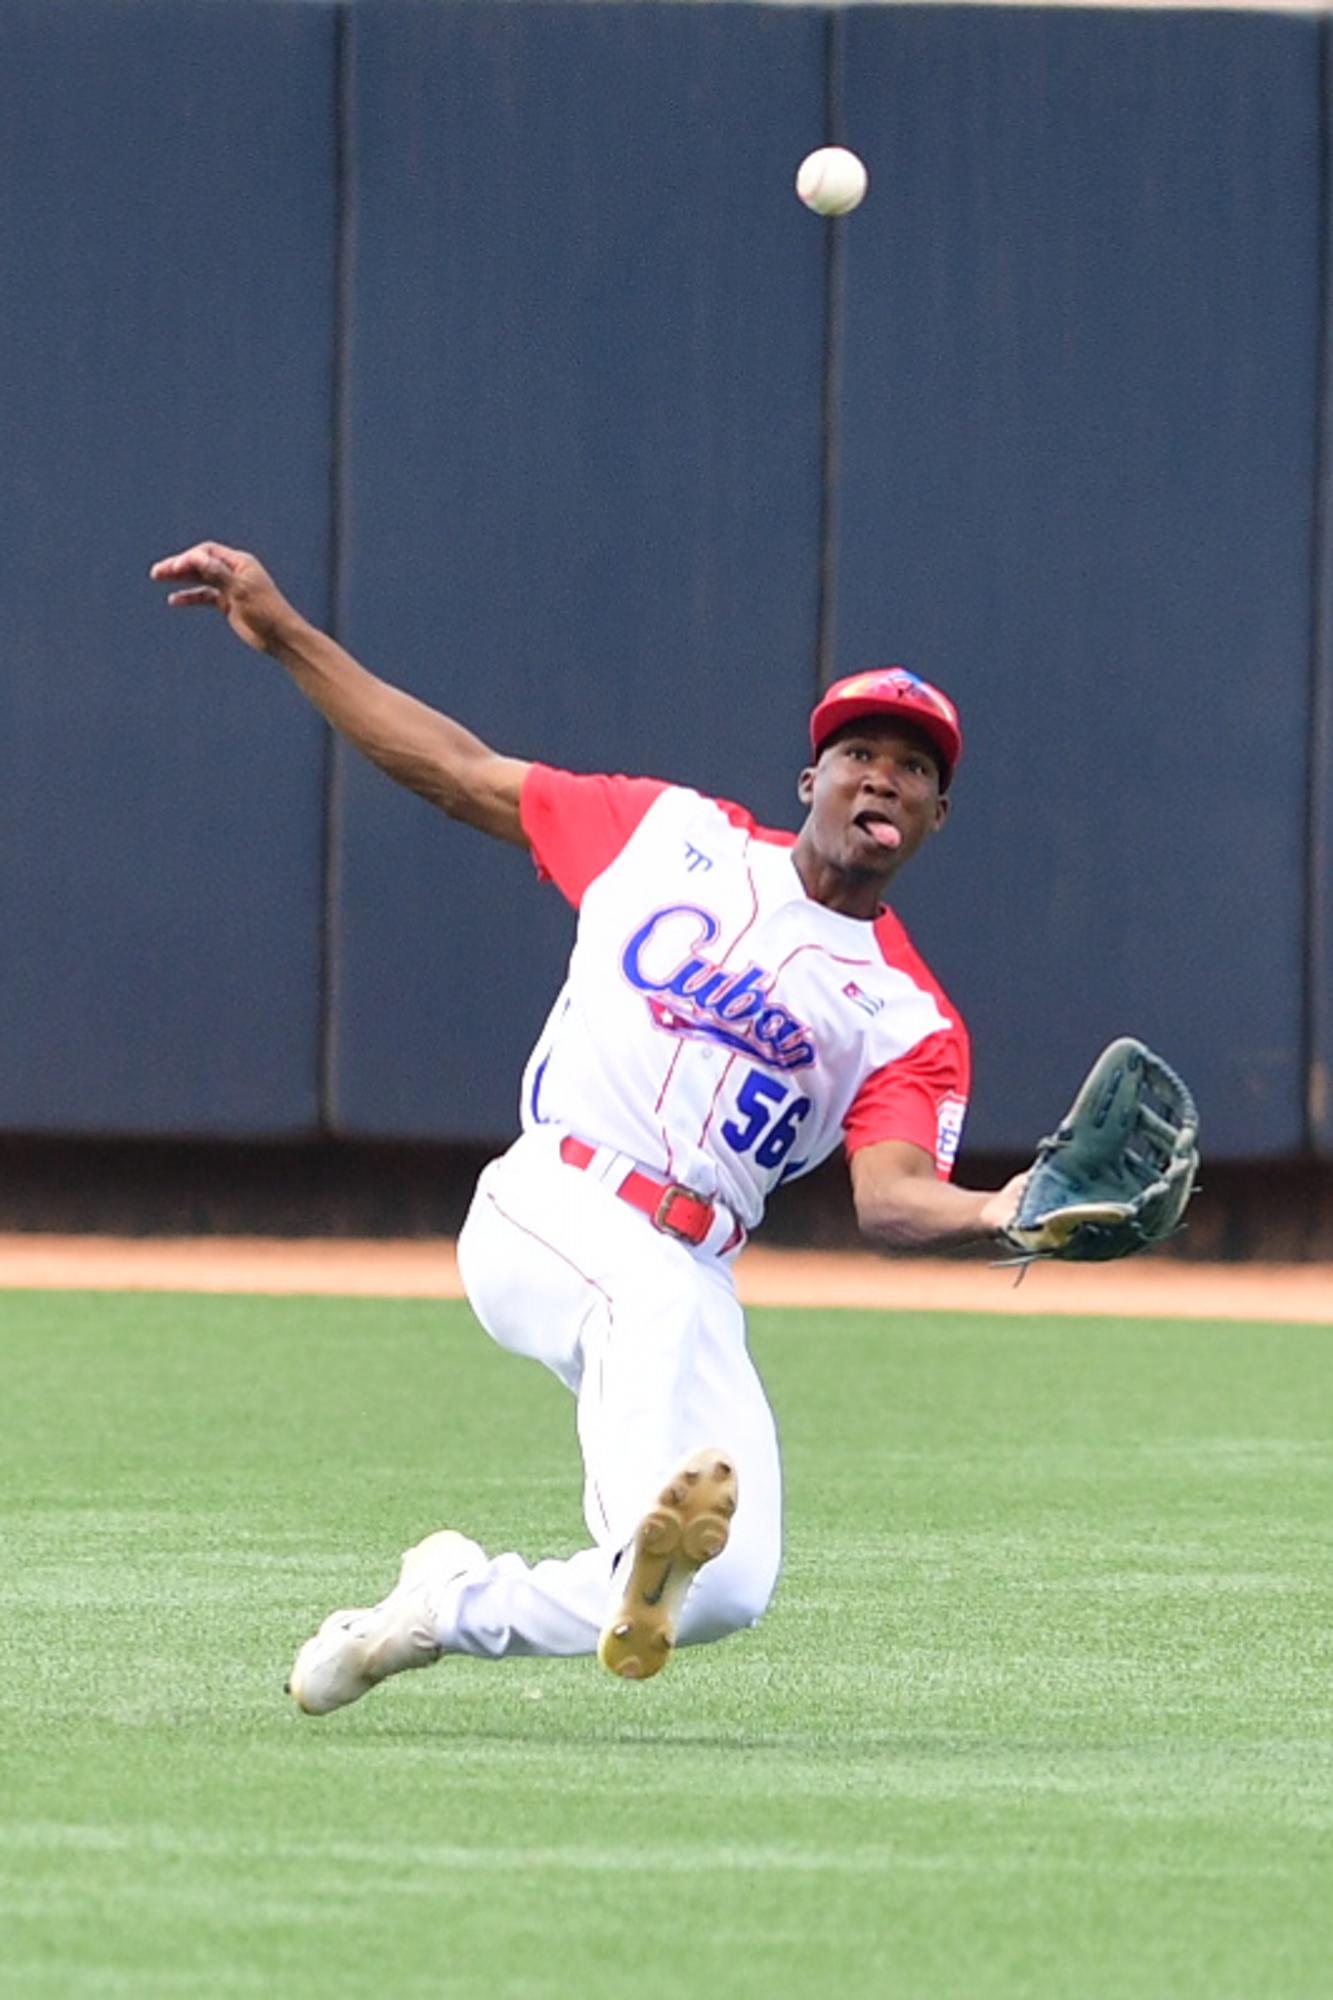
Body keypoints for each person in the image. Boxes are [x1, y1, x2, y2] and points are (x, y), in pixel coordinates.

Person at [150, 540, 1024, 1713]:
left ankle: (436, 1605)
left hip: (693, 1266)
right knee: (649, 1334)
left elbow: (893, 1193)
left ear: (936, 816)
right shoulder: (668, 835)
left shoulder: (908, 1016)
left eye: (912, 768)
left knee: (731, 1587)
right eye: (857, 752)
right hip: (550, 1202)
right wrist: (289, 634)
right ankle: (640, 1543)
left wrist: (1000, 1212)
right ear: (806, 778)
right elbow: (456, 767)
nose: (881, 776)